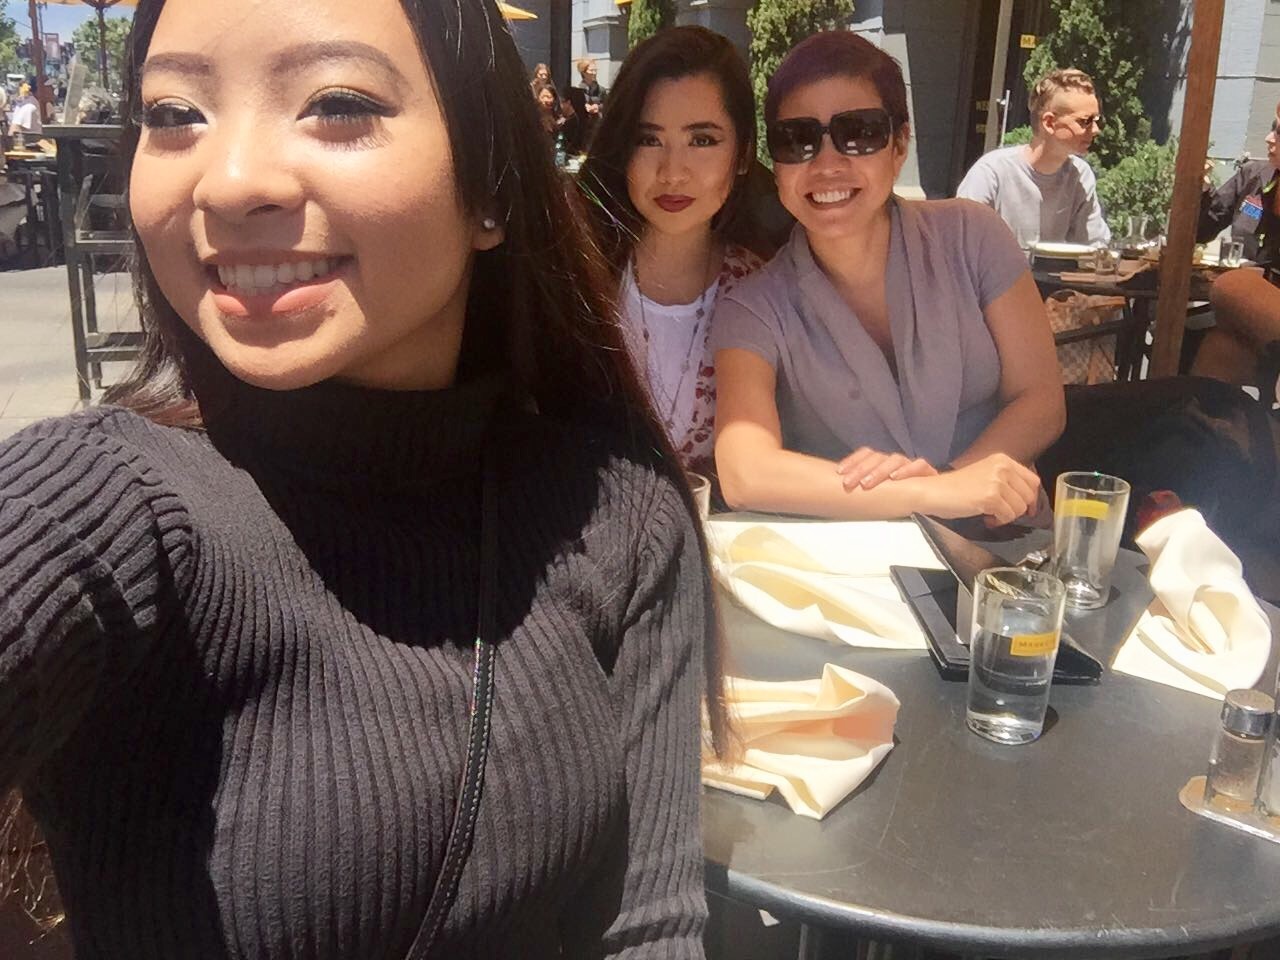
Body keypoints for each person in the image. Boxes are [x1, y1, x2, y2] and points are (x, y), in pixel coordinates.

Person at [0, 0, 729, 956]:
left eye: (336, 103)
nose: (231, 182)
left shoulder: (622, 516)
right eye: (175, 115)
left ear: (490, 189)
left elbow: (650, 927)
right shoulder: (100, 501)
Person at [711, 31, 1065, 523]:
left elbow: (1041, 400)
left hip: (1001, 535)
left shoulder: (973, 236)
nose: (827, 164)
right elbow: (745, 472)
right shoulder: (752, 307)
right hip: (856, 555)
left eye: (859, 132)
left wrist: (958, 480)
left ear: (900, 145)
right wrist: (935, 494)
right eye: (798, 139)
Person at [578, 26, 763, 474]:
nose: (673, 173)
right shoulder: (573, 273)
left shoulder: (767, 291)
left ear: (742, 155)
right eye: (649, 139)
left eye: (702, 140)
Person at [956, 68, 1110, 248]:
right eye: (1085, 121)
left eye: (1097, 121)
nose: (1096, 130)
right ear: (1049, 123)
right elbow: (960, 243)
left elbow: (1094, 247)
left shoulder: (1080, 176)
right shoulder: (991, 173)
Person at [1198, 100, 1280, 269]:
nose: (1269, 138)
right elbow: (1202, 232)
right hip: (1243, 282)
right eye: (1273, 128)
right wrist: (1203, 190)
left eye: (1279, 132)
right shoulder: (1252, 175)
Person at [575, 57, 605, 147]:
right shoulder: (578, 90)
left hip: (597, 124)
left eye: (595, 70)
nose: (594, 73)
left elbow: (608, 104)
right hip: (583, 126)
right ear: (583, 72)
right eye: (591, 70)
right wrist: (584, 107)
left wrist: (598, 107)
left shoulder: (601, 90)